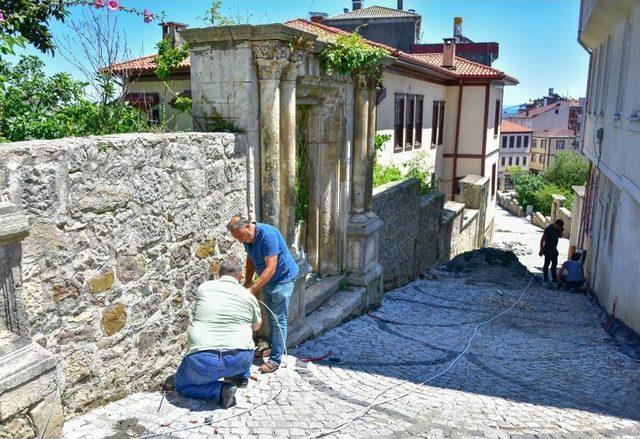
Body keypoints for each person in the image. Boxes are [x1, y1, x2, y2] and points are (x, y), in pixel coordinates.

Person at [172, 256, 262, 408]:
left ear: (219, 274)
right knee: (246, 341)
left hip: (203, 359)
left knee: (181, 385)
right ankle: (240, 377)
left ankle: (220, 391)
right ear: (240, 276)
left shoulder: (204, 288)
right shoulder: (248, 296)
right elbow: (256, 327)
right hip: (240, 358)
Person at [227, 216, 299, 374]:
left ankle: (275, 360)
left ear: (248, 226)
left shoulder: (267, 235)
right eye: (237, 238)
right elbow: (251, 259)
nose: (240, 241)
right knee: (270, 314)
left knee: (278, 319)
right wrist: (247, 281)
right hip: (268, 280)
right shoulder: (248, 238)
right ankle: (273, 347)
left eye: (240, 236)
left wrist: (252, 289)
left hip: (283, 279)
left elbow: (271, 268)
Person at [539, 219, 564, 287]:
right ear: (556, 225)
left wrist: (561, 230)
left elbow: (560, 236)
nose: (559, 228)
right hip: (547, 249)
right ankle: (545, 278)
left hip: (554, 249)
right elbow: (542, 239)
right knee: (547, 264)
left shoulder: (558, 229)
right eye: (559, 227)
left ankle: (554, 279)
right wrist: (541, 249)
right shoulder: (549, 229)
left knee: (554, 265)